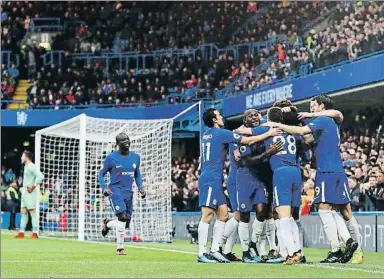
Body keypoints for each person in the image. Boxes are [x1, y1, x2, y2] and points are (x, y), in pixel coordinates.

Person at [264, 95, 361, 264]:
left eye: (313, 106)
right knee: (342, 211)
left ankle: (337, 248)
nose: (310, 109)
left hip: (326, 171)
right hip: (338, 170)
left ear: (321, 106)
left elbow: (303, 133)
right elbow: (307, 139)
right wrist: (297, 122)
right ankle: (355, 248)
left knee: (324, 210)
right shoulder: (331, 123)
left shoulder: (322, 119)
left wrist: (280, 125)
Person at [197, 108, 281, 263]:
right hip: (211, 179)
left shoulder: (206, 134)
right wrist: (269, 134)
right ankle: (202, 252)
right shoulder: (222, 133)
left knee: (223, 214)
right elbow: (248, 141)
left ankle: (216, 249)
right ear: (215, 120)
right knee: (207, 215)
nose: (222, 117)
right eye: (219, 115)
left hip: (213, 178)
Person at [236, 109, 283, 263]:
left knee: (262, 212)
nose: (255, 117)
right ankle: (245, 252)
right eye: (250, 115)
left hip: (262, 179)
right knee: (244, 216)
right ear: (245, 120)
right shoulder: (243, 136)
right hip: (245, 178)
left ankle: (254, 244)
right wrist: (268, 152)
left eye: (257, 114)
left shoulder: (265, 132)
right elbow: (248, 160)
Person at [98, 132, 146, 256]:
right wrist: (104, 187)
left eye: (127, 139)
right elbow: (101, 174)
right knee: (122, 218)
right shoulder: (111, 158)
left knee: (126, 223)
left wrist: (141, 187)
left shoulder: (136, 157)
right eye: (123, 140)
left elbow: (137, 174)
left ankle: (108, 224)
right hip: (115, 191)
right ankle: (120, 248)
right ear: (117, 144)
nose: (126, 141)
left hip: (129, 192)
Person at [14, 150, 44, 239]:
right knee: (23, 211)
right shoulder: (26, 166)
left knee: (32, 211)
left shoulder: (32, 166)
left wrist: (34, 186)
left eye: (22, 156)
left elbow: (41, 176)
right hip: (24, 191)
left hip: (30, 191)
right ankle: (21, 232)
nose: (21, 157)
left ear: (26, 157)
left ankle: (35, 233)